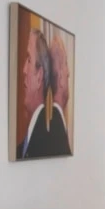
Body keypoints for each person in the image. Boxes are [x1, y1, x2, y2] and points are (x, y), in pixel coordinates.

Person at [20, 29, 72, 158]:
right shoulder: (54, 135)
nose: (69, 72)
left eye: (29, 60)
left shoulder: (46, 133)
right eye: (66, 64)